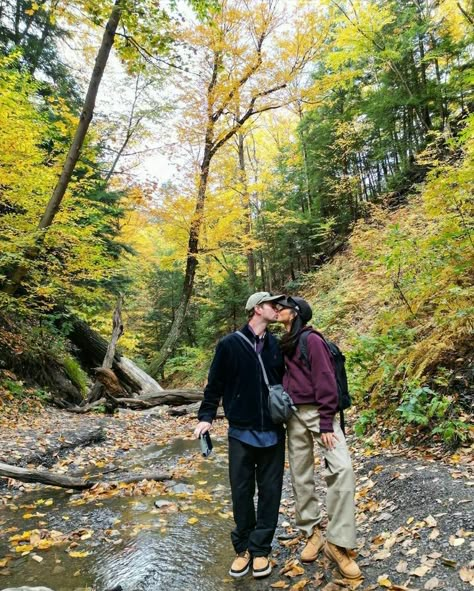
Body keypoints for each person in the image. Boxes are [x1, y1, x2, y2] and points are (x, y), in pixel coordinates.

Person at [194, 292, 286, 579]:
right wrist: (206, 417)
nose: (278, 308)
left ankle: (260, 550)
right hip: (241, 432)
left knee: (270, 493)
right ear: (257, 309)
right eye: (273, 305)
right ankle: (243, 547)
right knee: (242, 492)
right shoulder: (229, 344)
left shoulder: (276, 345)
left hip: (273, 430)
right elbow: (215, 383)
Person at [276, 296, 361, 580]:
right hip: (293, 415)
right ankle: (312, 532)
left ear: (296, 313)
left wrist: (326, 422)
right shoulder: (285, 342)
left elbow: (325, 378)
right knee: (301, 475)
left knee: (342, 469)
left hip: (319, 413)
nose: (278, 310)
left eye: (283, 307)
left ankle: (338, 542)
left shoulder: (311, 340)